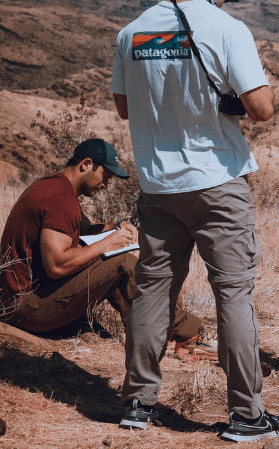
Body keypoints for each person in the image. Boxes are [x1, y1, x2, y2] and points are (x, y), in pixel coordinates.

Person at [111, 0, 279, 442]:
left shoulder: (133, 30)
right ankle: (247, 415)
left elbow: (124, 109)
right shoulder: (227, 28)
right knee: (233, 293)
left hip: (158, 183)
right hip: (217, 182)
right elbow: (262, 109)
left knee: (153, 290)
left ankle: (138, 403)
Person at [0, 138, 202, 344]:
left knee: (112, 265)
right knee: (122, 264)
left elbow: (86, 227)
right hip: (24, 307)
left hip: (19, 300)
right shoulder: (60, 199)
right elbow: (57, 265)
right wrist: (107, 245)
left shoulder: (53, 186)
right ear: (86, 164)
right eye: (105, 175)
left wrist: (119, 226)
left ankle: (153, 336)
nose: (106, 184)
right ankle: (189, 335)